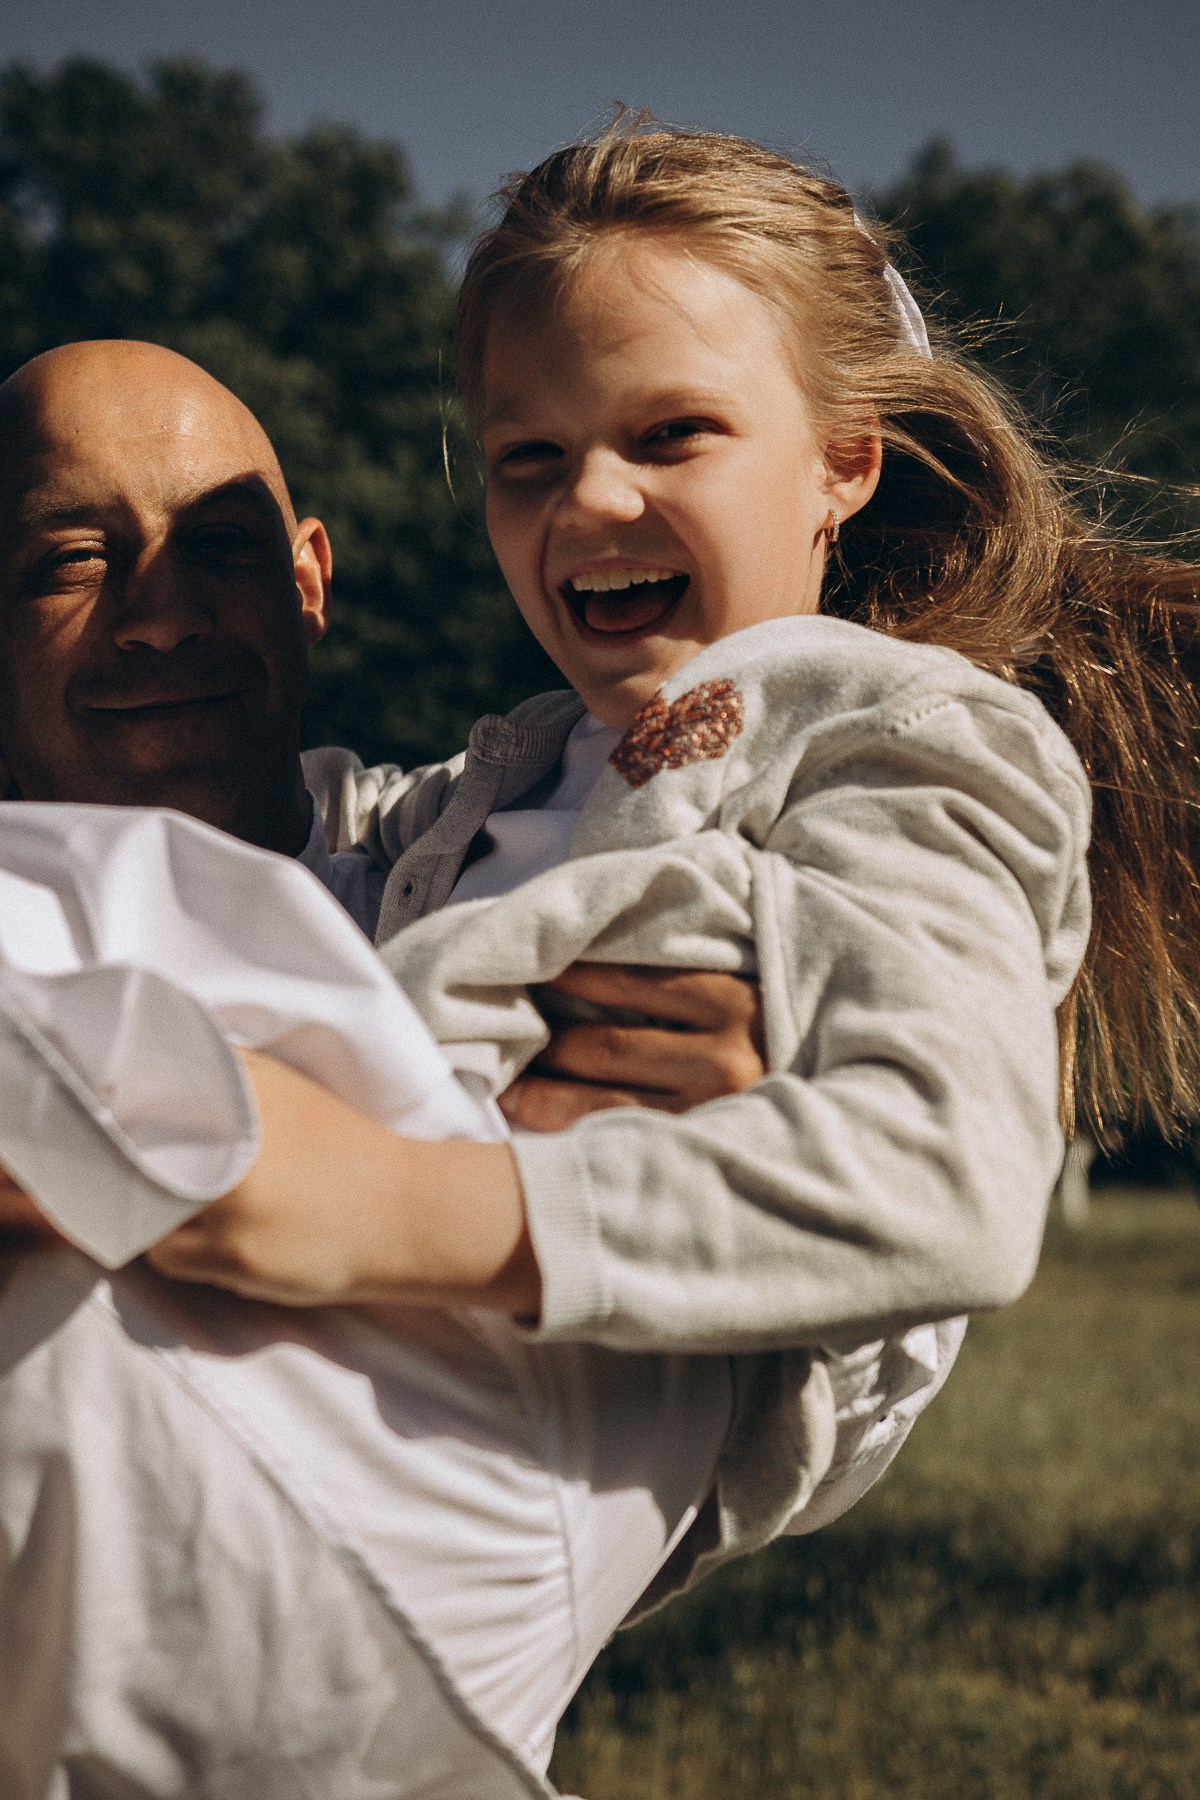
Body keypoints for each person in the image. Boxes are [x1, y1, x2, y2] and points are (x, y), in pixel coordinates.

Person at [141, 118, 1198, 1590]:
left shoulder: (899, 734)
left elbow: (949, 1177)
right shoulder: (500, 776)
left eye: (669, 435)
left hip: (522, 1456)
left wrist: (381, 1207)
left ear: (841, 466)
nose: (588, 503)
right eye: (529, 457)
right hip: (348, 1409)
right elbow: (263, 839)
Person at [0, 338, 793, 1797]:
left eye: (219, 551)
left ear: (311, 579)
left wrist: (744, 1154)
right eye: (71, 559)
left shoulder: (504, 903)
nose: (160, 619)